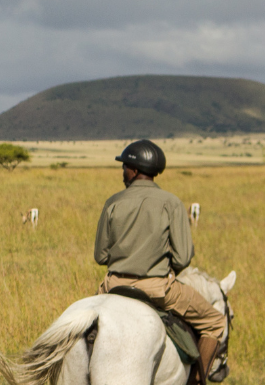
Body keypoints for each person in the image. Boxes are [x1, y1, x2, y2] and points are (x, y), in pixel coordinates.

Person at [93, 139, 227, 383]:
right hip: (159, 290)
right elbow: (183, 257)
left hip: (112, 286)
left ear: (134, 170)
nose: (122, 171)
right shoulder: (172, 203)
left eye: (124, 167)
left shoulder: (112, 202)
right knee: (214, 321)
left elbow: (100, 256)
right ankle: (198, 380)